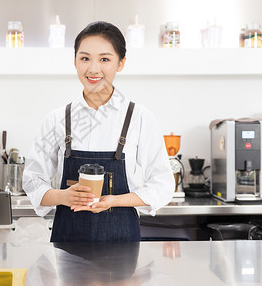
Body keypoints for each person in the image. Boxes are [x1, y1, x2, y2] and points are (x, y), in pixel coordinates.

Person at [22, 21, 174, 242]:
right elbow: (33, 181)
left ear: (121, 63)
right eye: (85, 58)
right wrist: (63, 196)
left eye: (104, 59)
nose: (93, 69)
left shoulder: (139, 117)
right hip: (67, 242)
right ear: (75, 62)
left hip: (122, 242)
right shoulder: (56, 119)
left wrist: (114, 200)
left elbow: (163, 184)